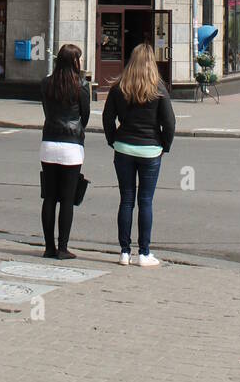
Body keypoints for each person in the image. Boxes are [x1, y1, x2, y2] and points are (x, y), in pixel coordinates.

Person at [102, 43, 175, 267]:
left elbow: (107, 118)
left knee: (126, 199)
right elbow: (169, 122)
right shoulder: (158, 89)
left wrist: (113, 140)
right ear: (151, 63)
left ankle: (124, 252)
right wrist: (164, 145)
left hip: (123, 147)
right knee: (145, 201)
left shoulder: (118, 87)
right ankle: (144, 253)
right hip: (150, 150)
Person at [39, 43, 90, 260]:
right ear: (75, 62)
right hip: (72, 146)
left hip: (49, 142)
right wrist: (76, 129)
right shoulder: (82, 85)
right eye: (79, 59)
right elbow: (84, 116)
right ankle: (63, 248)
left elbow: (46, 110)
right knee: (67, 199)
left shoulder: (46, 83)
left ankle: (48, 247)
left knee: (49, 197)